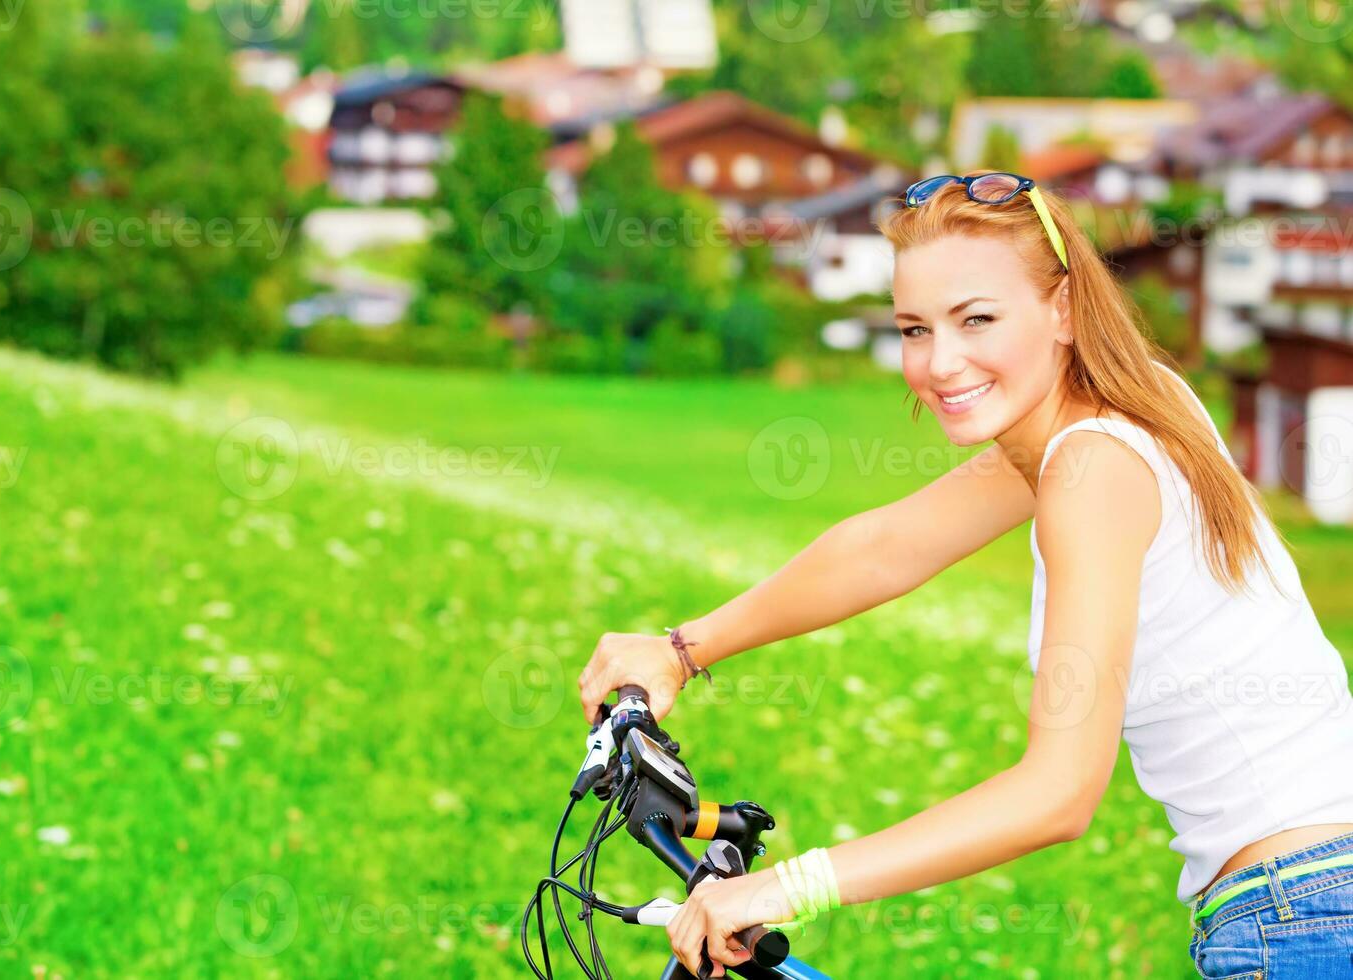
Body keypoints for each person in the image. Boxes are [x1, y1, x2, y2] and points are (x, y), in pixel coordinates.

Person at [575, 172, 1353, 978]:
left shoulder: (1091, 466)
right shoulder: (1132, 407)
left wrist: (786, 887)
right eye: (915, 329)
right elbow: (886, 548)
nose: (942, 363)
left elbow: (1059, 793)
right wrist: (681, 649)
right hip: (1314, 892)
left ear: (1063, 309)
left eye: (977, 319)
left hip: (1301, 916)